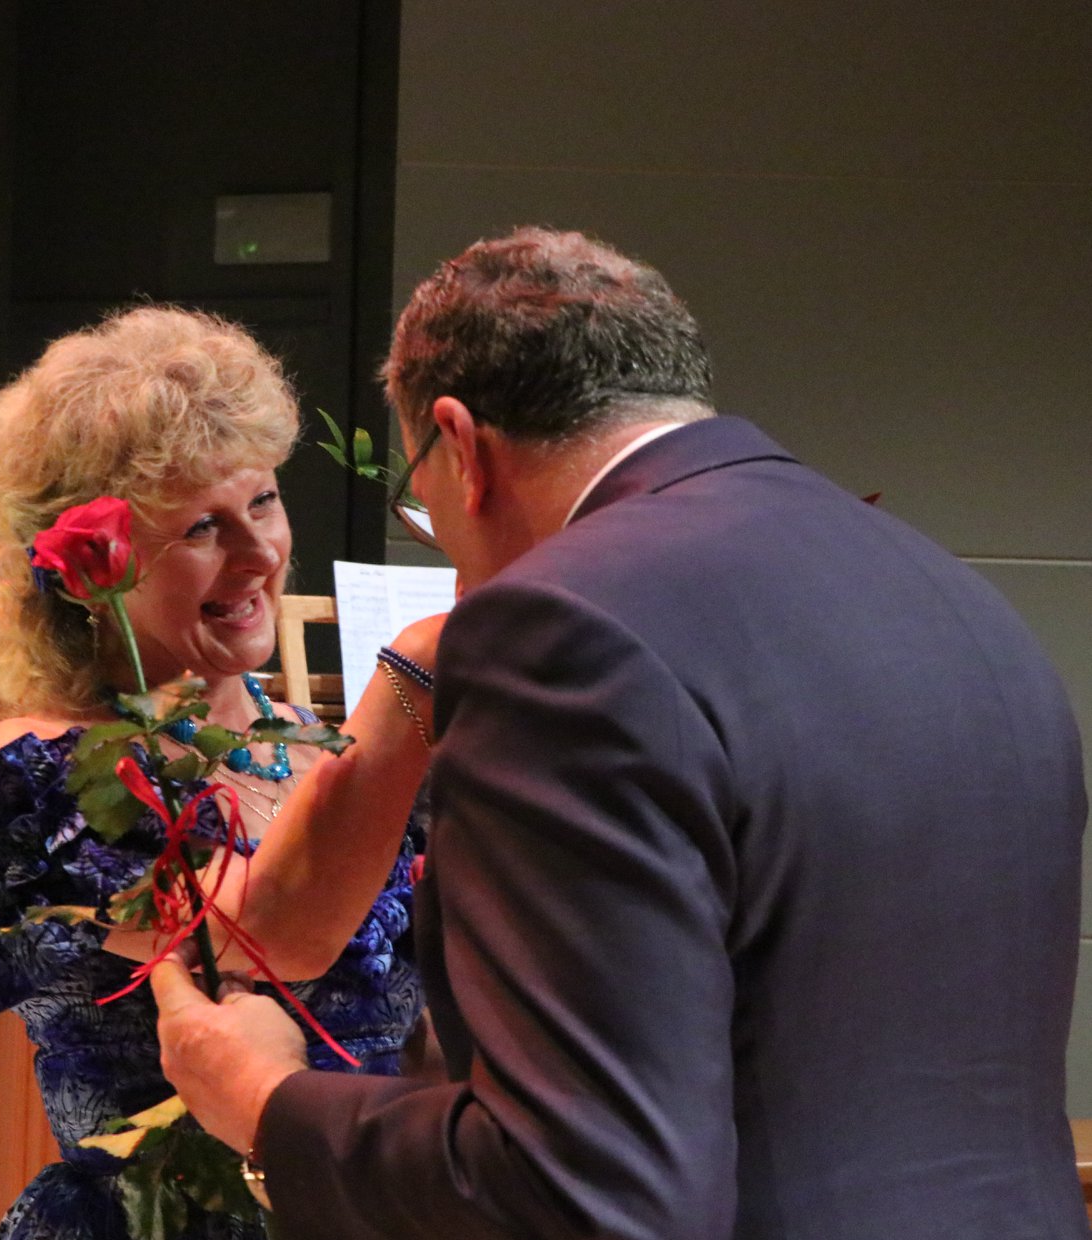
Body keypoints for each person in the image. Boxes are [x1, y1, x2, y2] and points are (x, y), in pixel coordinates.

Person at [153, 227, 1089, 1239]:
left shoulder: (560, 626)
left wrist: (266, 1105)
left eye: (423, 504)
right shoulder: (951, 595)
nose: (453, 563)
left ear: (460, 445)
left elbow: (586, 1191)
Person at [0, 305, 438, 1239]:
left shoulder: (312, 741)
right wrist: (416, 675)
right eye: (201, 527)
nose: (260, 554)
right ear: (89, 573)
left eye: (263, 502)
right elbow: (274, 935)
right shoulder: (43, 773)